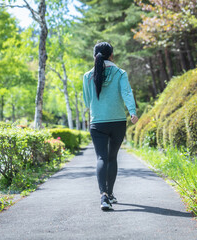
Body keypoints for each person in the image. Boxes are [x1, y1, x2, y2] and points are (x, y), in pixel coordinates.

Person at [83, 42, 138, 211]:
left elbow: (87, 100)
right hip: (117, 121)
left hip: (97, 122)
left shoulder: (88, 76)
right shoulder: (120, 73)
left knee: (101, 158)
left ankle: (103, 197)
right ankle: (111, 193)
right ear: (111, 55)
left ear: (95, 56)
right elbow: (127, 92)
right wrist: (132, 112)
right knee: (112, 157)